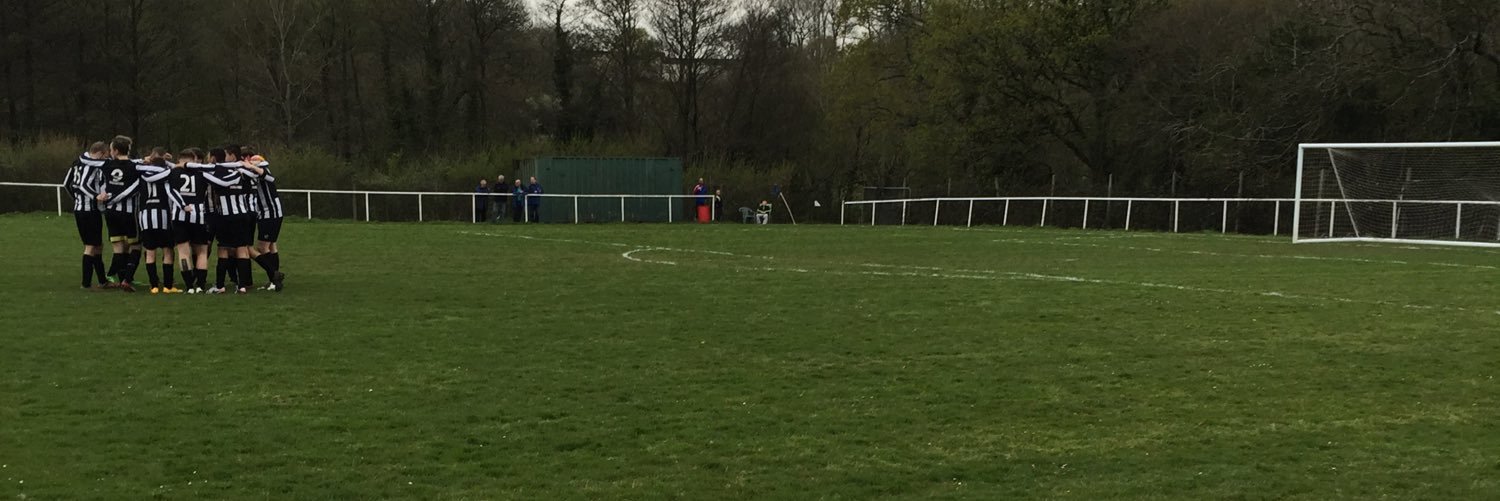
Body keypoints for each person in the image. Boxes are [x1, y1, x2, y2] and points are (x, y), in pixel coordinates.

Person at [197, 145, 259, 293]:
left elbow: (220, 183)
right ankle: (242, 286)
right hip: (243, 213)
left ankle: (220, 285)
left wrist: (199, 172)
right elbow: (254, 176)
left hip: (225, 215)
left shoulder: (217, 170)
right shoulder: (240, 170)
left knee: (223, 249)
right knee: (242, 249)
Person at [97, 135, 144, 292]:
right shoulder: (135, 167)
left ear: (115, 151)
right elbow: (136, 187)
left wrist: (105, 198)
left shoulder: (106, 166)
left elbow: (102, 184)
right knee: (135, 245)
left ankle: (114, 276)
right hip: (129, 212)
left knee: (118, 247)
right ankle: (127, 279)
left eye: (110, 149)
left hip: (111, 212)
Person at [65, 142, 110, 289]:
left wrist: (76, 199)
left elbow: (67, 183)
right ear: (101, 153)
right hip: (89, 211)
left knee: (97, 245)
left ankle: (102, 280)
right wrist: (96, 196)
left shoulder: (77, 162)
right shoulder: (91, 165)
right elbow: (84, 185)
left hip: (80, 209)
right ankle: (86, 283)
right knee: (90, 247)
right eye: (106, 154)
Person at [136, 148, 182, 294]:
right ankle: (168, 286)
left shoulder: (142, 175)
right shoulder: (166, 175)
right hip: (163, 216)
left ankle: (153, 285)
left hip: (145, 216)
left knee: (150, 252)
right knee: (168, 251)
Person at [242, 148, 286, 291]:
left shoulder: (261, 169)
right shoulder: (255, 170)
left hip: (270, 213)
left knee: (261, 247)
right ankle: (274, 280)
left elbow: (268, 176)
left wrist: (251, 166)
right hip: (269, 213)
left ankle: (274, 275)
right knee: (271, 245)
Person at [171, 148, 212, 294]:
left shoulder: (174, 172)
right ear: (193, 159)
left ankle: (189, 286)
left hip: (179, 215)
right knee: (201, 251)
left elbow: (171, 192)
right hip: (198, 214)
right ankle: (200, 285)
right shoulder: (201, 173)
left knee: (183, 251)